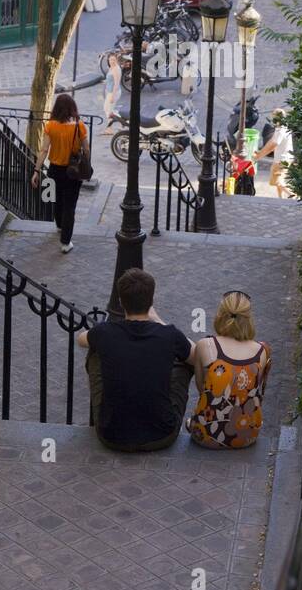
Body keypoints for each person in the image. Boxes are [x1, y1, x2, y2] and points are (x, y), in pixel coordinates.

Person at [78, 268, 194, 452]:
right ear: (151, 301)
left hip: (111, 435)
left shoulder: (105, 332)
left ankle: (103, 411)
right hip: (163, 435)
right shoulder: (169, 334)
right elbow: (195, 354)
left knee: (95, 352)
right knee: (185, 360)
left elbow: (81, 339)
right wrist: (157, 320)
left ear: (121, 302)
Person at [188, 292, 271, 450]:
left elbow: (202, 389)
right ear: (249, 319)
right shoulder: (261, 351)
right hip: (247, 437)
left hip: (206, 436)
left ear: (220, 315)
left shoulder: (206, 345)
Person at [31, 93, 88, 253]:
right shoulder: (79, 126)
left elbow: (43, 150)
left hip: (54, 170)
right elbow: (86, 149)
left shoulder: (50, 126)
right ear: (72, 108)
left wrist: (36, 170)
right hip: (73, 171)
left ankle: (59, 226)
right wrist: (85, 165)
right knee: (70, 206)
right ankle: (65, 242)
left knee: (56, 200)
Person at [253, 110, 294, 198]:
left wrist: (260, 155)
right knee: (279, 180)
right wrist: (261, 153)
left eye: (273, 117)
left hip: (281, 160)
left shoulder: (280, 129)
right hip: (286, 158)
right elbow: (272, 142)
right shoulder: (285, 127)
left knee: (277, 181)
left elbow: (273, 143)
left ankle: (292, 195)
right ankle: (281, 198)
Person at [101, 52, 122, 134]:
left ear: (116, 60)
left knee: (108, 110)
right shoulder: (111, 68)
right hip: (110, 91)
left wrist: (113, 96)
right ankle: (121, 123)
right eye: (110, 59)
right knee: (109, 109)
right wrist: (105, 81)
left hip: (114, 92)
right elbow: (110, 79)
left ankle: (109, 129)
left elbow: (116, 83)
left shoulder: (116, 69)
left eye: (113, 60)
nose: (112, 61)